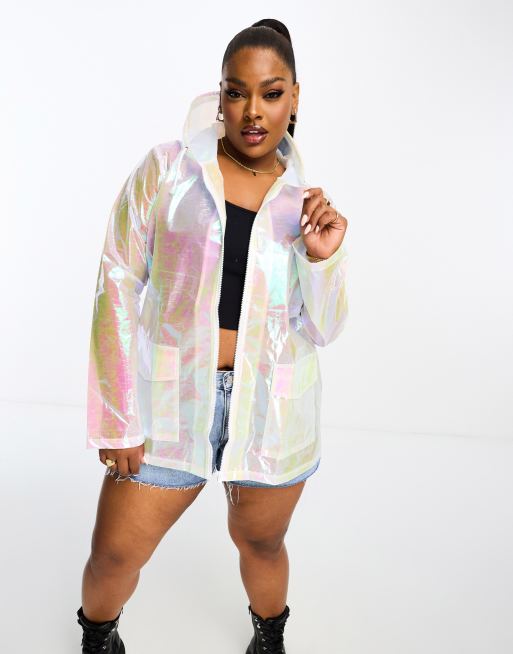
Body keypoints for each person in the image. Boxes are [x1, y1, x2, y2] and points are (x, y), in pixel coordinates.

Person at [76, 17, 349, 654]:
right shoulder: (168, 171)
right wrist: (116, 416)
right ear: (219, 95)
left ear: (294, 98)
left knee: (262, 544)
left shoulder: (305, 205)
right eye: (237, 91)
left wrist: (323, 259)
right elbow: (117, 280)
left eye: (271, 93)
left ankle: (269, 638)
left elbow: (324, 327)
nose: (253, 110)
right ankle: (97, 637)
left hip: (272, 413)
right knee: (114, 554)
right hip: (169, 405)